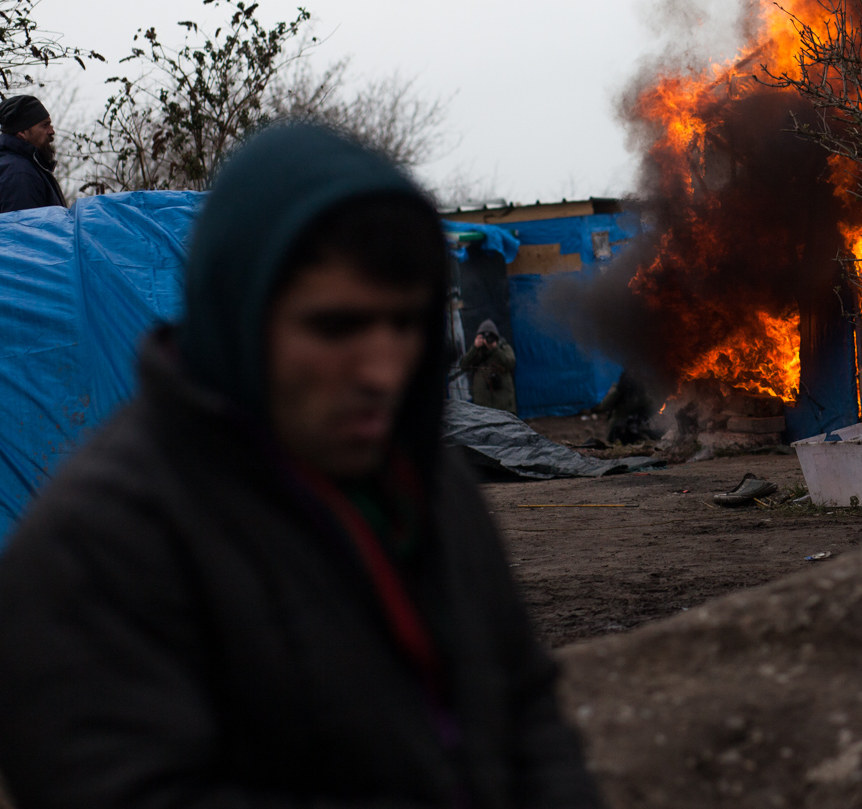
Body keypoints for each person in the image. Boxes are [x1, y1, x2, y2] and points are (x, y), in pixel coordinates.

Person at [0, 124, 601, 808]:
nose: (381, 369)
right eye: (335, 326)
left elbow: (524, 711)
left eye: (404, 323)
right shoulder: (96, 549)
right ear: (239, 311)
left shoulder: (428, 491)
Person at [0, 93, 66, 213]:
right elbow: (22, 229)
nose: (52, 131)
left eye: (50, 124)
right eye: (44, 125)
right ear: (22, 132)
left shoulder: (27, 168)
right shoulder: (19, 173)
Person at [458, 318, 518, 413]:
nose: (488, 340)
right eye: (485, 337)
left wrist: (495, 349)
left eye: (491, 337)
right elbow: (464, 366)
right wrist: (475, 348)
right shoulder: (477, 352)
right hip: (483, 404)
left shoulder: (504, 348)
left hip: (503, 403)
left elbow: (511, 363)